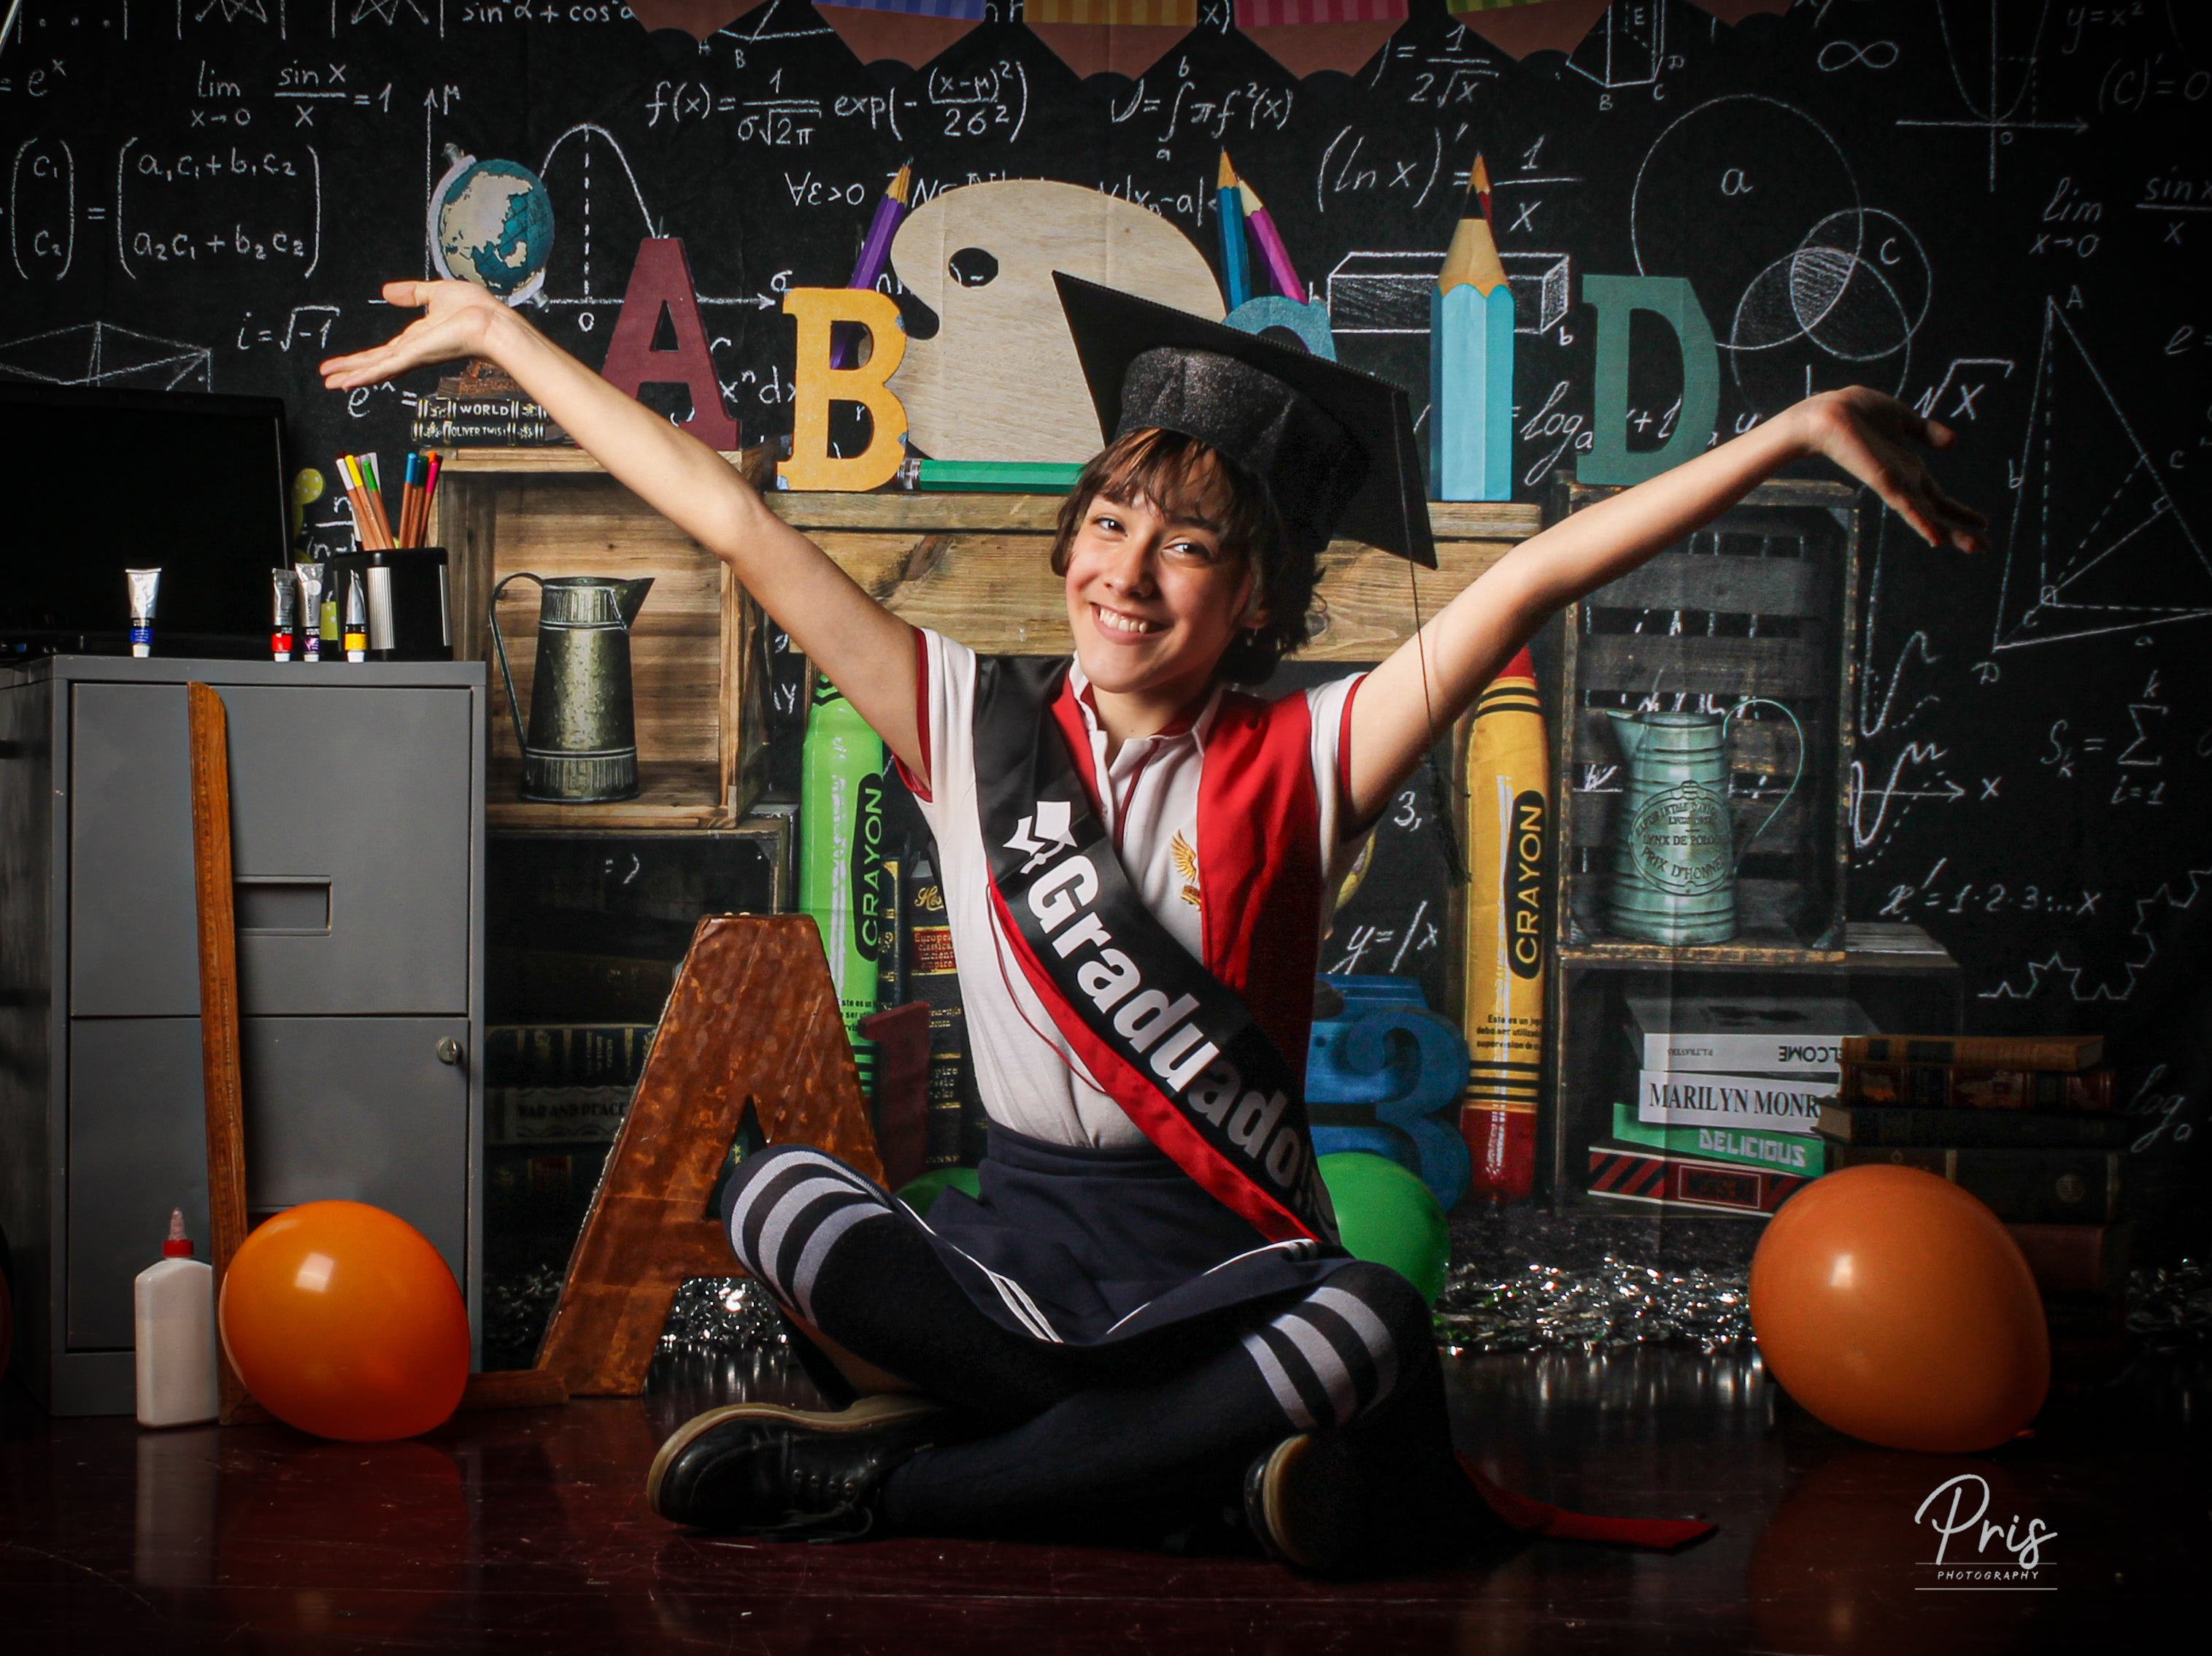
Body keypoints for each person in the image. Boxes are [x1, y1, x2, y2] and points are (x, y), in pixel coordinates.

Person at [323, 271, 1981, 1574]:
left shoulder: (1311, 751)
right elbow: (739, 522)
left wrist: (1783, 432)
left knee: (1370, 1321)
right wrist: (498, 336)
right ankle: (1169, 1473)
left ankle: (906, 1484)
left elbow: (1531, 579)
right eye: (1111, 523)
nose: (1133, 570)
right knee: (771, 1190)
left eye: (1192, 547)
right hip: (1018, 1243)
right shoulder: (963, 714)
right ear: (1069, 543)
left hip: (1215, 1262)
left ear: (1253, 599)